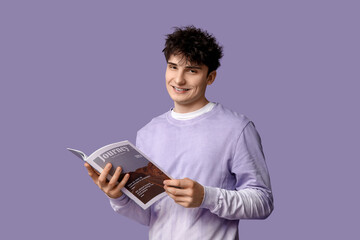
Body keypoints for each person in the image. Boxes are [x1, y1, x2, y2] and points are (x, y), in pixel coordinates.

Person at [85, 25, 273, 240]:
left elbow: (263, 202)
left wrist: (206, 196)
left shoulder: (237, 128)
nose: (179, 80)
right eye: (173, 67)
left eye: (192, 70)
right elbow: (150, 216)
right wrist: (118, 197)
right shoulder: (148, 132)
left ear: (210, 77)